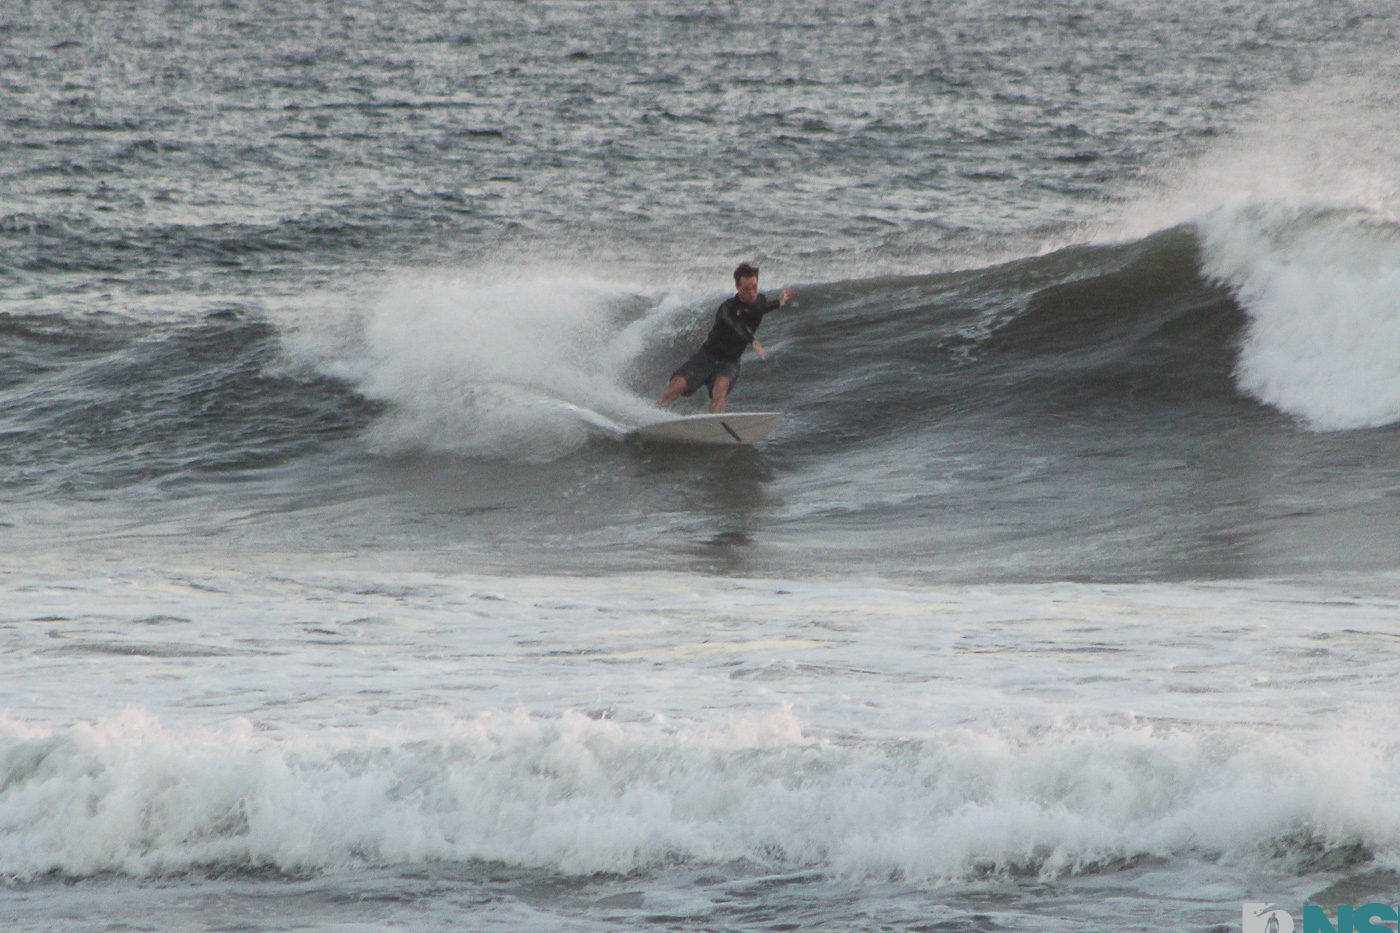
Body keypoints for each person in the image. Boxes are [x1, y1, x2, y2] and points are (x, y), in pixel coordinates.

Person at [657, 262, 792, 414]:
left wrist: (778, 303)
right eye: (746, 289)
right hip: (707, 356)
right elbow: (737, 325)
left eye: (754, 287)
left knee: (720, 389)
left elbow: (759, 309)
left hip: (730, 361)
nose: (752, 293)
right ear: (737, 287)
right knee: (678, 385)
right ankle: (655, 413)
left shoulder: (759, 302)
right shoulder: (727, 308)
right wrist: (752, 340)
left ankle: (714, 426)